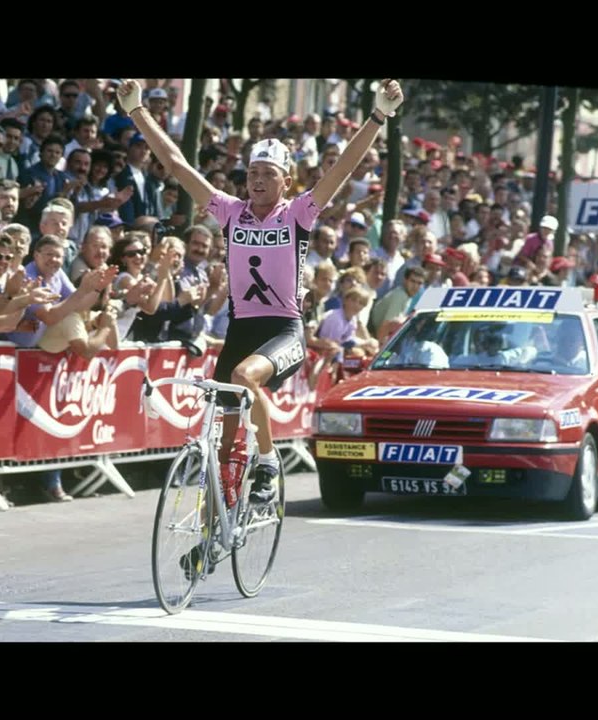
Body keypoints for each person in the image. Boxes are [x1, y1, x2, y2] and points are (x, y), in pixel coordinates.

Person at [118, 76, 403, 509]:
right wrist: (138, 111)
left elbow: (342, 167)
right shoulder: (230, 212)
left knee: (243, 379)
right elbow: (176, 165)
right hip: (241, 329)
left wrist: (378, 115)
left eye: (267, 174)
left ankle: (268, 461)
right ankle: (215, 524)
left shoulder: (299, 213)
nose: (256, 180)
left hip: (284, 331)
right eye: (251, 173)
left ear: (285, 182)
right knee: (222, 440)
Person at [451, 323, 537, 368]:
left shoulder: (505, 357)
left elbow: (531, 351)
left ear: (500, 345)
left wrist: (522, 361)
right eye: (484, 341)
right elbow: (446, 366)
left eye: (495, 342)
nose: (490, 346)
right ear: (477, 343)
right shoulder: (464, 361)